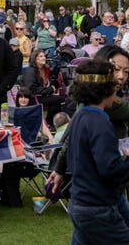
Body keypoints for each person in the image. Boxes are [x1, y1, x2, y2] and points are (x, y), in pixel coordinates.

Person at [62, 59, 129, 244]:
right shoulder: (100, 123)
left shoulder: (79, 117)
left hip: (79, 202)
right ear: (107, 90)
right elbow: (110, 170)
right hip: (97, 208)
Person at [22, 50, 66, 127]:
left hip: (43, 95)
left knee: (57, 102)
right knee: (62, 99)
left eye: (44, 56)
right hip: (34, 98)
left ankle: (49, 124)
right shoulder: (30, 71)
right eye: (41, 56)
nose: (44, 58)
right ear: (35, 59)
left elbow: (51, 83)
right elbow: (32, 89)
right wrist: (50, 90)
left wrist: (54, 90)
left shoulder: (45, 69)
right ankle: (50, 123)